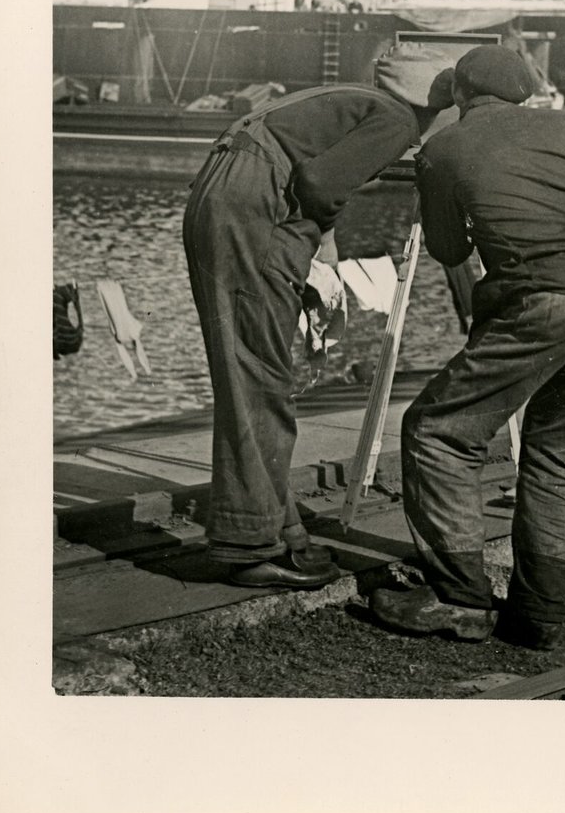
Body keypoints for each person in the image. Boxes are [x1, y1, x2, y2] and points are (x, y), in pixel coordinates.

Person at [370, 46, 565, 649]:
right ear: (527, 90)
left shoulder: (444, 147)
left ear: (458, 94)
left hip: (543, 301)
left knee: (439, 431)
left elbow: (449, 251)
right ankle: (540, 615)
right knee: (561, 451)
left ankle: (459, 598)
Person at [183, 80, 450, 588]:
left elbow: (307, 171)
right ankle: (248, 548)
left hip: (223, 194)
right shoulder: (397, 119)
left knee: (251, 375)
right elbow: (322, 184)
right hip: (251, 205)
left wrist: (315, 240)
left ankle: (279, 531)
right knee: (260, 381)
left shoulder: (347, 97)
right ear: (433, 109)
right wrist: (322, 238)